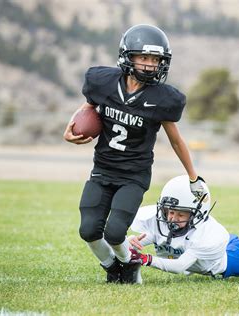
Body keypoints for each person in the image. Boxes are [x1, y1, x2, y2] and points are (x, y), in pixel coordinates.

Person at [63, 24, 207, 283]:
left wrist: (193, 176)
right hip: (102, 170)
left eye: (155, 60)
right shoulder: (103, 82)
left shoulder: (163, 98)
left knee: (116, 233)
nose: (150, 65)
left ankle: (129, 265)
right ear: (127, 56)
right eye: (143, 57)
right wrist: (69, 128)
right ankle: (112, 267)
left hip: (134, 175)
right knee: (88, 230)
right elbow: (87, 107)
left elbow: (175, 140)